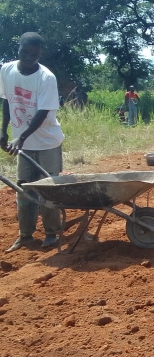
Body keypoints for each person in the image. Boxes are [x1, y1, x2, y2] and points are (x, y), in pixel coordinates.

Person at [0, 32, 65, 252]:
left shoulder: (46, 78)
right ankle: (25, 235)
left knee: (48, 188)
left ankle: (51, 233)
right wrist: (4, 132)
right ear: (17, 48)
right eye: (25, 52)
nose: (29, 57)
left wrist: (22, 136)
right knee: (24, 189)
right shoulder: (6, 70)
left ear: (40, 54)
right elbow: (7, 102)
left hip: (47, 142)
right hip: (24, 144)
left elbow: (43, 113)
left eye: (34, 55)